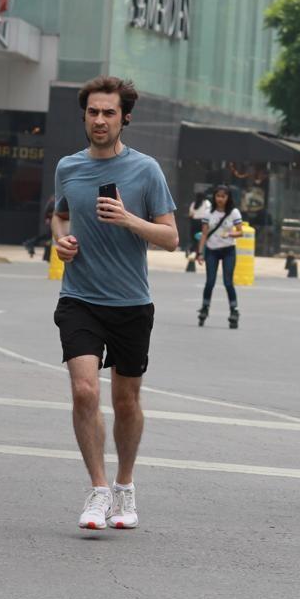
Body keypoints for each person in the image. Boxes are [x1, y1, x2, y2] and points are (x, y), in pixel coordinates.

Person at [51, 75, 179, 530]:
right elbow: (60, 213)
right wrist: (61, 241)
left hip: (130, 303)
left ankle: (125, 487)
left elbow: (170, 237)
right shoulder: (68, 166)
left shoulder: (146, 171)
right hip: (79, 297)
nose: (100, 120)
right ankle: (98, 490)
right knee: (85, 390)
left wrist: (128, 219)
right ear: (84, 117)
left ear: (125, 117)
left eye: (109, 112)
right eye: (93, 112)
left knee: (126, 401)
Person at [196, 185, 244, 328]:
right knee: (210, 281)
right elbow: (204, 234)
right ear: (214, 197)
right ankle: (205, 308)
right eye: (218, 196)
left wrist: (229, 234)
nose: (220, 199)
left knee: (228, 282)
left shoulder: (234, 213)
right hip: (212, 250)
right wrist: (200, 252)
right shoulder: (208, 213)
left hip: (229, 250)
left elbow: (240, 232)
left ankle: (234, 310)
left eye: (223, 196)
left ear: (228, 198)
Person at [186, 191, 211, 259]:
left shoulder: (194, 203)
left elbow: (190, 214)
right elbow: (209, 212)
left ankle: (194, 252)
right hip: (203, 222)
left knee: (194, 238)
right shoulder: (207, 203)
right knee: (203, 237)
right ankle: (201, 253)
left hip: (194, 222)